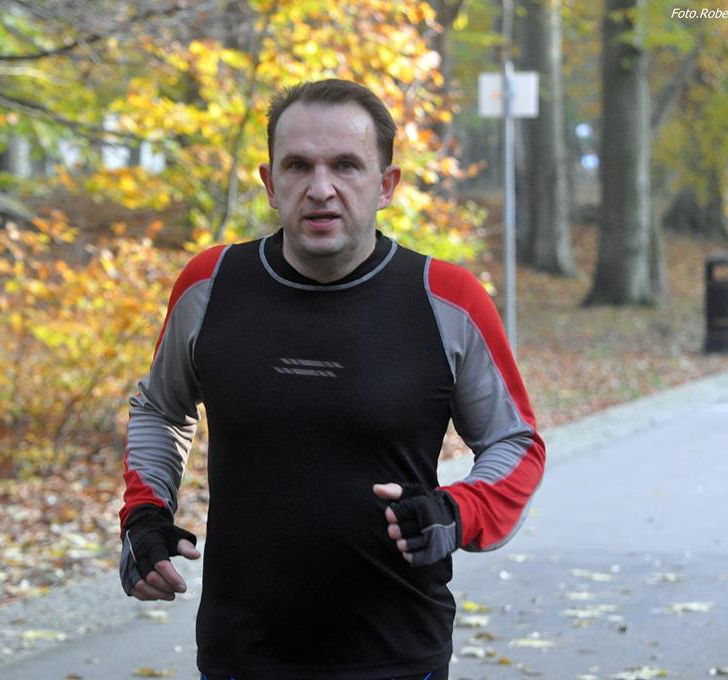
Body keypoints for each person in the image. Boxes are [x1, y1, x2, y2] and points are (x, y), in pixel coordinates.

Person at [118, 79, 545, 680]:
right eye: (298, 166)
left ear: (386, 184)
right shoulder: (209, 286)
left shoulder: (446, 299)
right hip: (241, 652)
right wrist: (144, 516)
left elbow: (516, 443)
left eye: (346, 165)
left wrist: (455, 511)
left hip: (400, 653)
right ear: (270, 183)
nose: (321, 189)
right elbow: (161, 410)